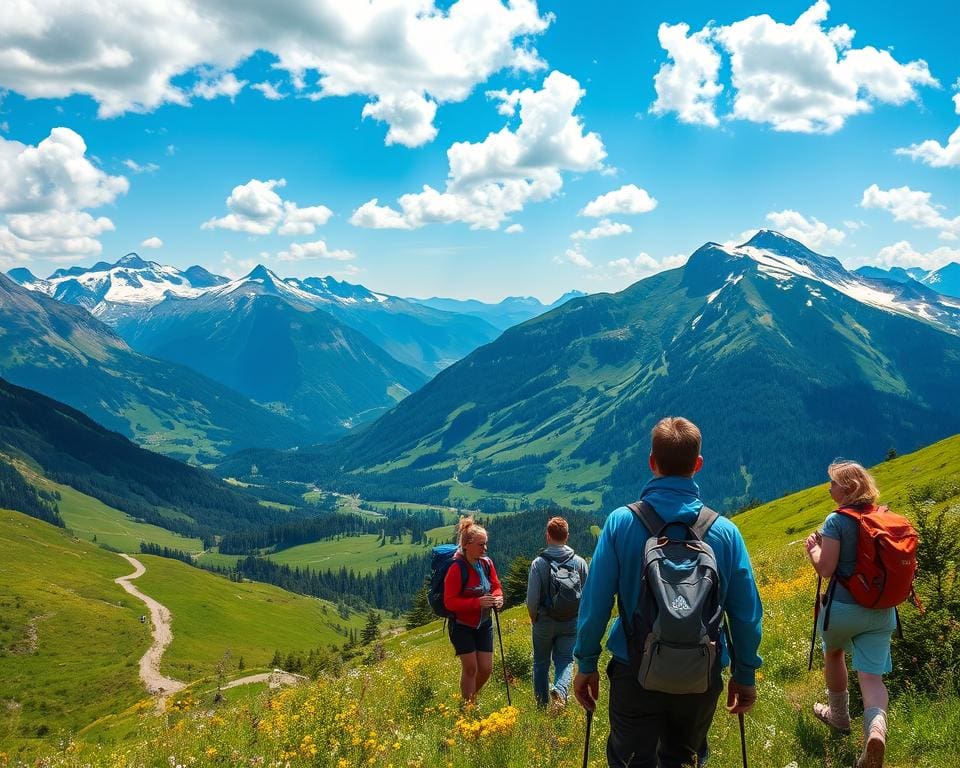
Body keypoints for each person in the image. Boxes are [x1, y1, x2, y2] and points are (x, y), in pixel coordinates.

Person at [573, 416, 763, 768]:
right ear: (698, 464)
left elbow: (595, 602)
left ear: (651, 462)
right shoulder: (724, 532)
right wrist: (745, 674)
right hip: (700, 673)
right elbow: (746, 614)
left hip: (633, 669)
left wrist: (586, 663)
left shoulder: (621, 523)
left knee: (632, 761)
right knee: (683, 759)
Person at [805, 460, 894, 768]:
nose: (829, 488)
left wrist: (813, 550)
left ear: (847, 489)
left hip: (842, 608)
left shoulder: (836, 521)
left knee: (834, 654)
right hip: (882, 610)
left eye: (833, 484)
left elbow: (826, 568)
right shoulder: (883, 517)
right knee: (871, 677)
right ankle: (876, 731)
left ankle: (840, 718)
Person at [526, 516, 589, 708]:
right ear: (567, 536)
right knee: (565, 660)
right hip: (571, 621)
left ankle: (541, 704)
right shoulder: (579, 563)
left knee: (541, 663)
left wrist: (534, 618)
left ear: (547, 536)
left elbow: (531, 600)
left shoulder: (539, 563)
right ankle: (560, 692)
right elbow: (587, 596)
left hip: (544, 621)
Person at [444, 516, 504, 704]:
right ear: (467, 545)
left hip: (484, 624)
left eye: (485, 544)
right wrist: (476, 603)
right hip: (462, 625)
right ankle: (468, 706)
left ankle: (468, 700)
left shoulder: (487, 563)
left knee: (485, 669)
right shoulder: (456, 568)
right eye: (481, 545)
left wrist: (498, 597)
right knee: (470, 668)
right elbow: (449, 602)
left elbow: (496, 586)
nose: (485, 549)